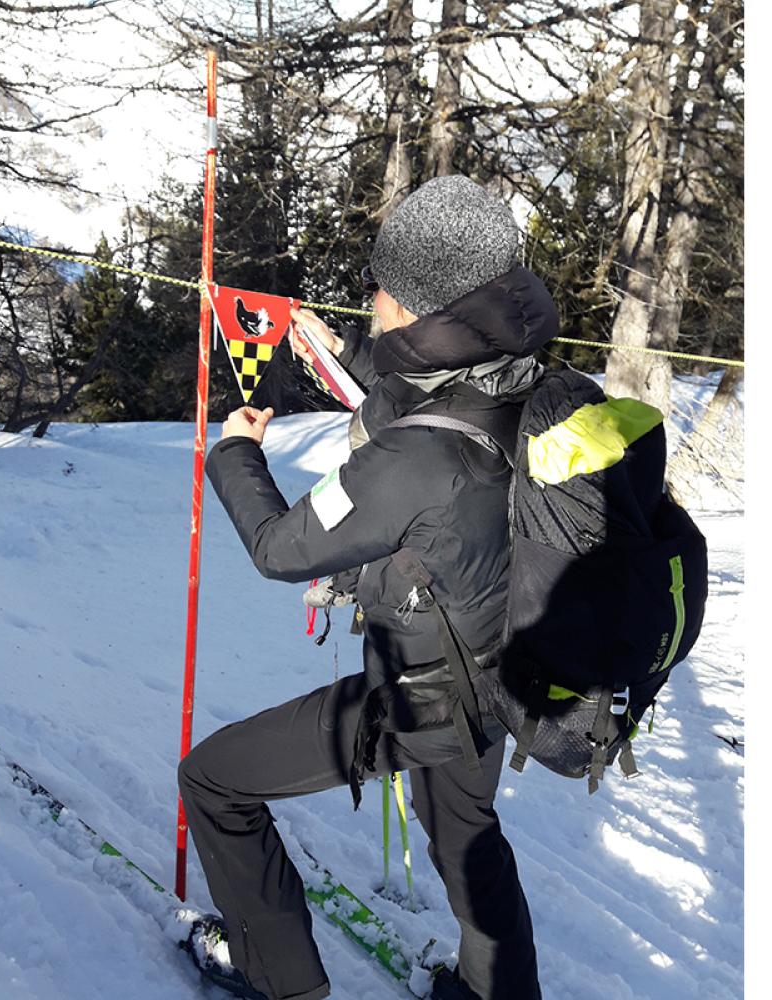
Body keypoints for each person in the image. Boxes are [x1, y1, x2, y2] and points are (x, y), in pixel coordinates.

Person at [179, 175, 559, 1000]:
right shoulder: (525, 374)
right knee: (467, 838)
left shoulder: (421, 459)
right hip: (505, 675)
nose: (371, 302)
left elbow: (284, 549)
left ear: (420, 305)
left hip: (421, 698)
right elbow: (415, 393)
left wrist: (233, 455)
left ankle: (277, 978)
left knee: (214, 780)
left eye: (377, 290)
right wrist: (332, 348)